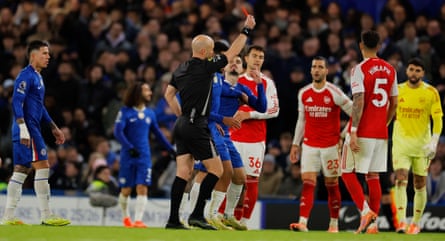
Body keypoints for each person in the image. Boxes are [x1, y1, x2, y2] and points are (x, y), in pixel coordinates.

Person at [163, 14, 256, 230]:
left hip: (182, 124)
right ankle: (197, 214)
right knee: (217, 170)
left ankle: (173, 220)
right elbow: (232, 52)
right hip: (197, 125)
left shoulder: (180, 69)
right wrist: (247, 30)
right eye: (212, 50)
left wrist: (181, 115)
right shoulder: (206, 66)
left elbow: (168, 94)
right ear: (205, 52)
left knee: (182, 173)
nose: (215, 53)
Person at [188, 48, 267, 230]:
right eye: (232, 60)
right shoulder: (216, 83)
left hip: (226, 134)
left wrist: (259, 84)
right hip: (211, 130)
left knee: (240, 177)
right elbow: (206, 109)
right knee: (220, 172)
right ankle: (210, 214)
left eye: (239, 62)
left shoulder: (242, 88)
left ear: (241, 68)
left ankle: (228, 215)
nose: (235, 63)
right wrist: (219, 119)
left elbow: (261, 107)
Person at [1, 40, 70, 226]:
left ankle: (8, 217)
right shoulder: (25, 76)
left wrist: (53, 127)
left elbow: (40, 108)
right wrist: (23, 127)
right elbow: (16, 102)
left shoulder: (38, 77)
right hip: (28, 129)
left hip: (31, 128)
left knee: (22, 170)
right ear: (33, 55)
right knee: (43, 166)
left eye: (48, 54)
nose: (48, 57)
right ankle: (46, 215)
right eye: (45, 53)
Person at [341, 30, 398, 234]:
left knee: (346, 172)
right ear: (379, 46)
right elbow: (395, 103)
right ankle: (373, 225)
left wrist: (354, 130)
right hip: (380, 132)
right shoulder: (391, 69)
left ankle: (365, 212)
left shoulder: (359, 69)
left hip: (362, 130)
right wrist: (384, 122)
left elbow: (359, 101)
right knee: (373, 176)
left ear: (361, 45)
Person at [289, 56, 353, 233]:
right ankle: (302, 222)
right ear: (311, 70)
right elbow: (301, 120)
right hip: (309, 146)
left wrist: (344, 135)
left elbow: (355, 111)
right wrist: (296, 144)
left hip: (331, 147)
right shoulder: (304, 93)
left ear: (326, 71)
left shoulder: (334, 92)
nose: (316, 70)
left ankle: (334, 224)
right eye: (314, 67)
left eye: (320, 67)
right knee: (308, 183)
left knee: (331, 185)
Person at [228, 45, 279, 226]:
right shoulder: (235, 80)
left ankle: (244, 221)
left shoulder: (267, 83)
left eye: (261, 57)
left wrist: (249, 114)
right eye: (254, 56)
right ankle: (224, 217)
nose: (258, 60)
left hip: (255, 140)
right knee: (229, 178)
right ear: (246, 58)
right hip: (233, 137)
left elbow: (274, 110)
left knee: (251, 181)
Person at [114, 82, 175, 228]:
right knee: (126, 189)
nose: (150, 92)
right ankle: (126, 217)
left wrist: (170, 149)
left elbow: (158, 134)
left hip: (144, 156)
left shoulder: (150, 113)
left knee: (142, 186)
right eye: (146, 90)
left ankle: (138, 220)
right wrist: (129, 147)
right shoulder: (125, 112)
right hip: (128, 155)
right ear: (138, 93)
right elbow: (118, 132)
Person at [392, 58, 443, 234]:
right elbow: (388, 115)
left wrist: (434, 142)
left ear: (423, 73)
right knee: (400, 179)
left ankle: (415, 222)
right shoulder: (397, 90)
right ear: (406, 71)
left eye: (418, 70)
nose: (414, 73)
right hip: (401, 144)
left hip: (422, 146)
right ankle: (400, 222)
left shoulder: (431, 92)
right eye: (411, 69)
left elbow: (437, 119)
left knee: (420, 183)